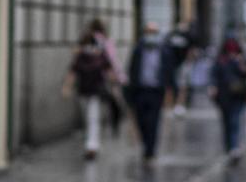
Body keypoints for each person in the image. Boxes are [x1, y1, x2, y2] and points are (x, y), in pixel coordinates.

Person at [124, 23, 177, 163]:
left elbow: (169, 73)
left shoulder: (164, 51)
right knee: (141, 120)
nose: (151, 35)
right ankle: (146, 144)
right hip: (140, 90)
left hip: (156, 91)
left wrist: (170, 93)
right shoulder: (138, 50)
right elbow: (131, 69)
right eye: (148, 32)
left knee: (153, 121)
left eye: (153, 32)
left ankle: (150, 151)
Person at [63, 32, 117, 161]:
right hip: (89, 91)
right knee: (91, 118)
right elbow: (110, 72)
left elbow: (73, 72)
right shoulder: (93, 55)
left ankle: (92, 145)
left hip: (90, 92)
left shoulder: (83, 56)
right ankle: (92, 144)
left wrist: (67, 87)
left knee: (91, 118)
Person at [209, 38, 246, 162]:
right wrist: (213, 87)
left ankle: (234, 147)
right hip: (224, 96)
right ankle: (229, 147)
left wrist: (241, 63)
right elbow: (215, 74)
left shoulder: (241, 59)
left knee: (234, 121)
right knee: (227, 122)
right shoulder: (220, 60)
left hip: (238, 95)